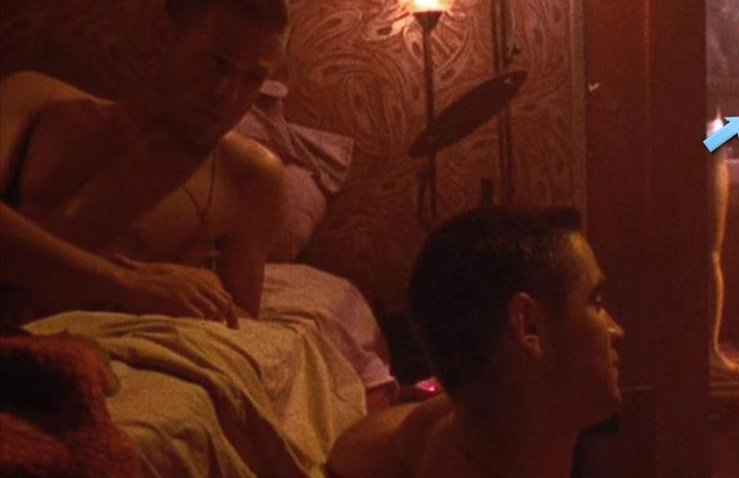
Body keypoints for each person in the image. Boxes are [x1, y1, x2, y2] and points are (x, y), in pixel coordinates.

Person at [0, 0, 288, 326]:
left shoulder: (249, 176)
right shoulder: (34, 99)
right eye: (217, 64)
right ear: (162, 35)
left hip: (104, 347)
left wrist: (197, 298)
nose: (229, 94)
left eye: (253, 78)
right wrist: (127, 284)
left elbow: (242, 325)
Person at [327, 207, 626, 478]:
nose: (616, 330)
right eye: (596, 302)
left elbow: (352, 447)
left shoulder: (446, 424)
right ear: (529, 326)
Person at [706, 0, 739, 374]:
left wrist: (705, 82)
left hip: (710, 134)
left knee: (709, 249)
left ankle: (710, 348)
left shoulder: (720, 21)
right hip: (665, 133)